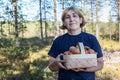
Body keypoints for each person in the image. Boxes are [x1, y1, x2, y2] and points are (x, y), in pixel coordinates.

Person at [48, 6, 104, 80]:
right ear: (64, 22)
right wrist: (56, 63)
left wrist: (84, 69)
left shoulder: (91, 38)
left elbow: (100, 64)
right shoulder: (58, 41)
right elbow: (51, 68)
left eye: (74, 16)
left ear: (80, 20)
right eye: (67, 17)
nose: (71, 19)